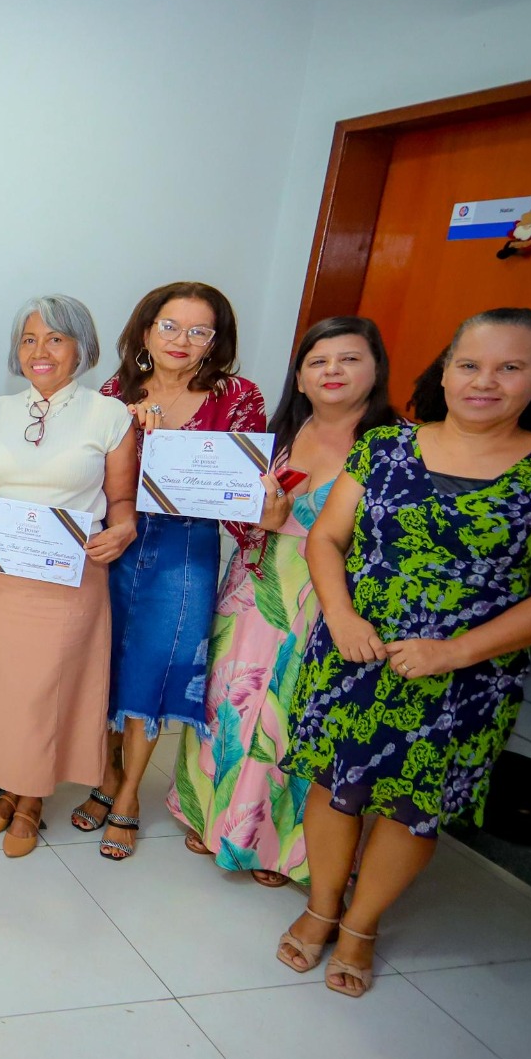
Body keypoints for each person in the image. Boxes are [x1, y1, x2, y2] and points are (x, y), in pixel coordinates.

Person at [278, 309, 531, 997]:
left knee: (412, 807)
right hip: (353, 653)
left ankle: (362, 926)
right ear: (446, 370)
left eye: (510, 367)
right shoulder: (385, 447)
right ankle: (322, 906)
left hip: (466, 679)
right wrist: (340, 616)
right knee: (333, 787)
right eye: (469, 365)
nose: (485, 381)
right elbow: (327, 538)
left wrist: (454, 653)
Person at [171, 317, 397, 886]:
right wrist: (256, 520)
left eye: (349, 359)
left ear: (376, 370)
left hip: (329, 597)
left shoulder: (396, 448)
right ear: (299, 377)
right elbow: (235, 509)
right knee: (228, 703)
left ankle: (277, 846)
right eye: (318, 361)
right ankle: (210, 815)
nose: (332, 371)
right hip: (254, 585)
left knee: (292, 716)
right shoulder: (276, 435)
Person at [72, 282, 265, 861]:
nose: (182, 340)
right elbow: (93, 478)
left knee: (157, 669)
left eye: (199, 331)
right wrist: (134, 437)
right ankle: (106, 775)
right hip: (118, 543)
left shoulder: (237, 396)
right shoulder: (114, 394)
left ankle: (130, 792)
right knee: (106, 662)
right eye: (170, 326)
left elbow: (240, 490)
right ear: (146, 331)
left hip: (185, 549)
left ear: (215, 341)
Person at [0, 297, 137, 856]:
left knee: (45, 691)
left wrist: (124, 529)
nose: (41, 351)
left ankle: (31, 799)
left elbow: (121, 501)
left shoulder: (109, 415)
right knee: (3, 687)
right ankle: (8, 787)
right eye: (29, 339)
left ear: (81, 348)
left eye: (55, 339)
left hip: (68, 577)